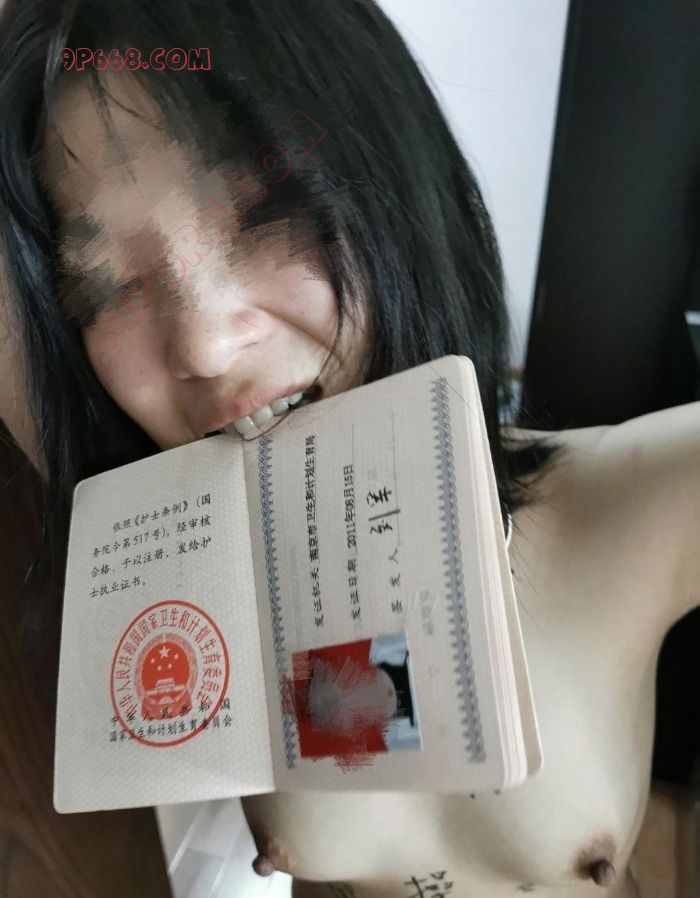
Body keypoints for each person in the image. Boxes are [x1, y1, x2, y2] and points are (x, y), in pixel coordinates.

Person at [0, 1, 697, 895]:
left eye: (267, 211)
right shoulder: (191, 585)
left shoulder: (622, 512)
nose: (204, 344)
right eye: (106, 288)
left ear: (399, 179)